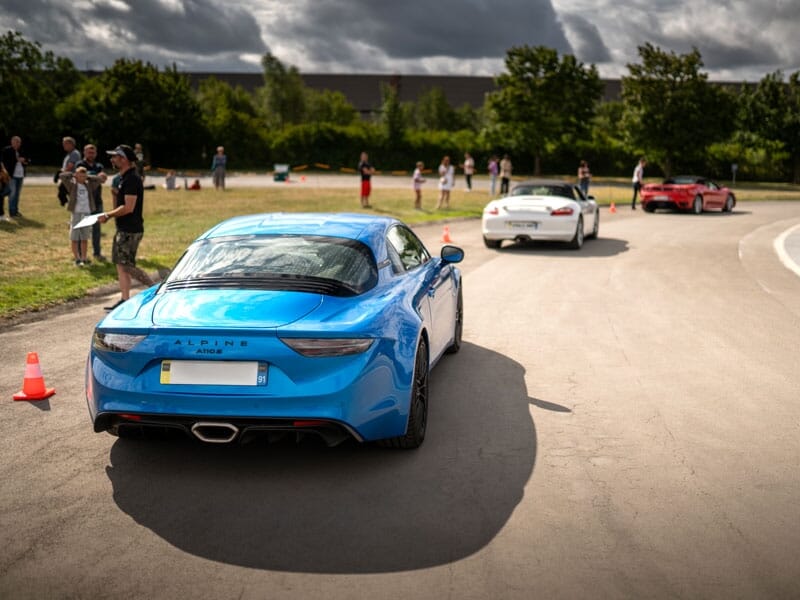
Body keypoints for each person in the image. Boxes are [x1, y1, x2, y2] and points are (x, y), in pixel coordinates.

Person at [98, 145, 154, 310]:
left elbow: (128, 208)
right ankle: (124, 299)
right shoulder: (123, 178)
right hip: (124, 228)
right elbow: (120, 205)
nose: (112, 159)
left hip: (130, 229)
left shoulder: (131, 179)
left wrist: (108, 215)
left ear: (124, 159)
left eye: (115, 156)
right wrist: (115, 195)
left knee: (127, 265)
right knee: (120, 264)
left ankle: (155, 289)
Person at [60, 167, 101, 266]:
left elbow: (98, 180)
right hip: (76, 213)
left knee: (84, 237)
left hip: (86, 213)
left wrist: (87, 176)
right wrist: (73, 174)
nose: (82, 177)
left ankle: (84, 257)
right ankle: (77, 258)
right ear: (76, 176)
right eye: (80, 175)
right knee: (75, 237)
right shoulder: (72, 185)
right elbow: (62, 176)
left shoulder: (89, 186)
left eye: (83, 176)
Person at [76, 144, 109, 261]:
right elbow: (81, 177)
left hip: (97, 201)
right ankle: (80, 254)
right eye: (89, 152)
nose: (91, 154)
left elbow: (103, 179)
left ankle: (97, 252)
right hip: (84, 202)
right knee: (83, 229)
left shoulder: (99, 165)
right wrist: (96, 176)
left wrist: (100, 177)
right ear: (84, 153)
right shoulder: (80, 165)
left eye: (93, 152)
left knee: (97, 229)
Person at [1, 136, 28, 220]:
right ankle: (12, 213)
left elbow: (28, 160)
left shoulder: (22, 150)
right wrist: (16, 159)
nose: (16, 144)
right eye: (15, 142)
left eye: (18, 142)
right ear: (11, 142)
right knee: (12, 194)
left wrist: (24, 160)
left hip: (20, 175)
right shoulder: (6, 150)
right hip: (11, 176)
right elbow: (4, 161)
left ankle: (16, 211)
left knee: (17, 194)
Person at [58, 136, 81, 207]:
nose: (63, 146)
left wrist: (61, 173)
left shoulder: (74, 153)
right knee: (63, 192)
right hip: (66, 176)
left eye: (65, 144)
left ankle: (72, 204)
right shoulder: (69, 154)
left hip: (70, 177)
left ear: (71, 144)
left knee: (64, 192)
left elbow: (70, 166)